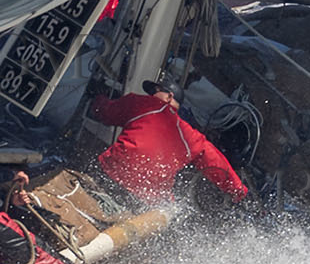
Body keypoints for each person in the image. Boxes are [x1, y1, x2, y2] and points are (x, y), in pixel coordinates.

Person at [89, 79, 249, 206]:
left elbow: (106, 112)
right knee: (170, 204)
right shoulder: (191, 137)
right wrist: (238, 191)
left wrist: (97, 97)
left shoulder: (145, 104)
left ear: (169, 96)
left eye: (155, 91)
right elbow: (216, 163)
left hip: (111, 176)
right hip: (145, 200)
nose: (151, 95)